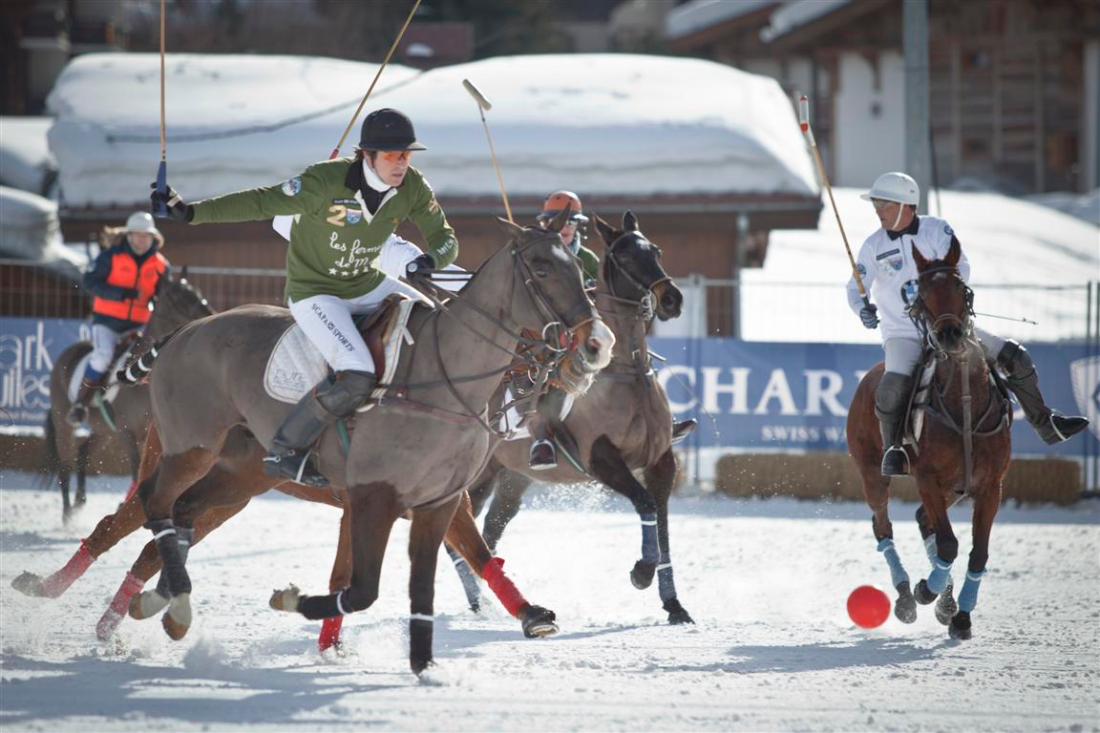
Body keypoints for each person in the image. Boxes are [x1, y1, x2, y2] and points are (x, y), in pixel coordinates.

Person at [151, 108, 458, 487]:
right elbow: (262, 202)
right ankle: (285, 449)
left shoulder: (412, 186)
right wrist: (192, 213)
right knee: (357, 372)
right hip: (317, 294)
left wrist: (430, 260)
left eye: (407, 155)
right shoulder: (324, 181)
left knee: (439, 323)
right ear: (368, 155)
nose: (403, 163)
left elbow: (445, 237)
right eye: (394, 155)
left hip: (368, 283)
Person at [848, 171, 1088, 477]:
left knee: (1016, 357)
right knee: (891, 388)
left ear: (905, 204)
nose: (877, 210)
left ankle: (1047, 424)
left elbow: (960, 268)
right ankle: (894, 448)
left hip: (947, 327)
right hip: (903, 333)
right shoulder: (873, 245)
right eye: (876, 204)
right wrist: (862, 308)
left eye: (883, 204)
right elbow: (854, 288)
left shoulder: (937, 230)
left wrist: (936, 294)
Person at [526, 191, 695, 470]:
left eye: (572, 221)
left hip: (593, 330)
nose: (566, 226)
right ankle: (542, 439)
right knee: (559, 371)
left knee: (638, 358)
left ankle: (661, 423)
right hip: (552, 331)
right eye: (558, 219)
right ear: (546, 223)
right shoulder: (541, 255)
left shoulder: (590, 257)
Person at [68, 212, 170, 426]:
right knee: (103, 356)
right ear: (129, 236)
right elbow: (90, 282)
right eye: (138, 235)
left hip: (140, 325)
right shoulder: (110, 257)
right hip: (107, 322)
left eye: (147, 236)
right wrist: (120, 294)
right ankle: (80, 404)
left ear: (153, 238)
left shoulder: (161, 265)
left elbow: (165, 296)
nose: (142, 240)